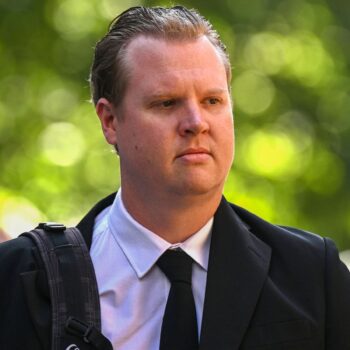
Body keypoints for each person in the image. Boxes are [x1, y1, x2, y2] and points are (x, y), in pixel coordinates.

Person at [0, 5, 350, 350]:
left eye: (213, 100)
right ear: (110, 121)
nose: (196, 122)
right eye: (166, 103)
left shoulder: (311, 276)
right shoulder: (20, 281)